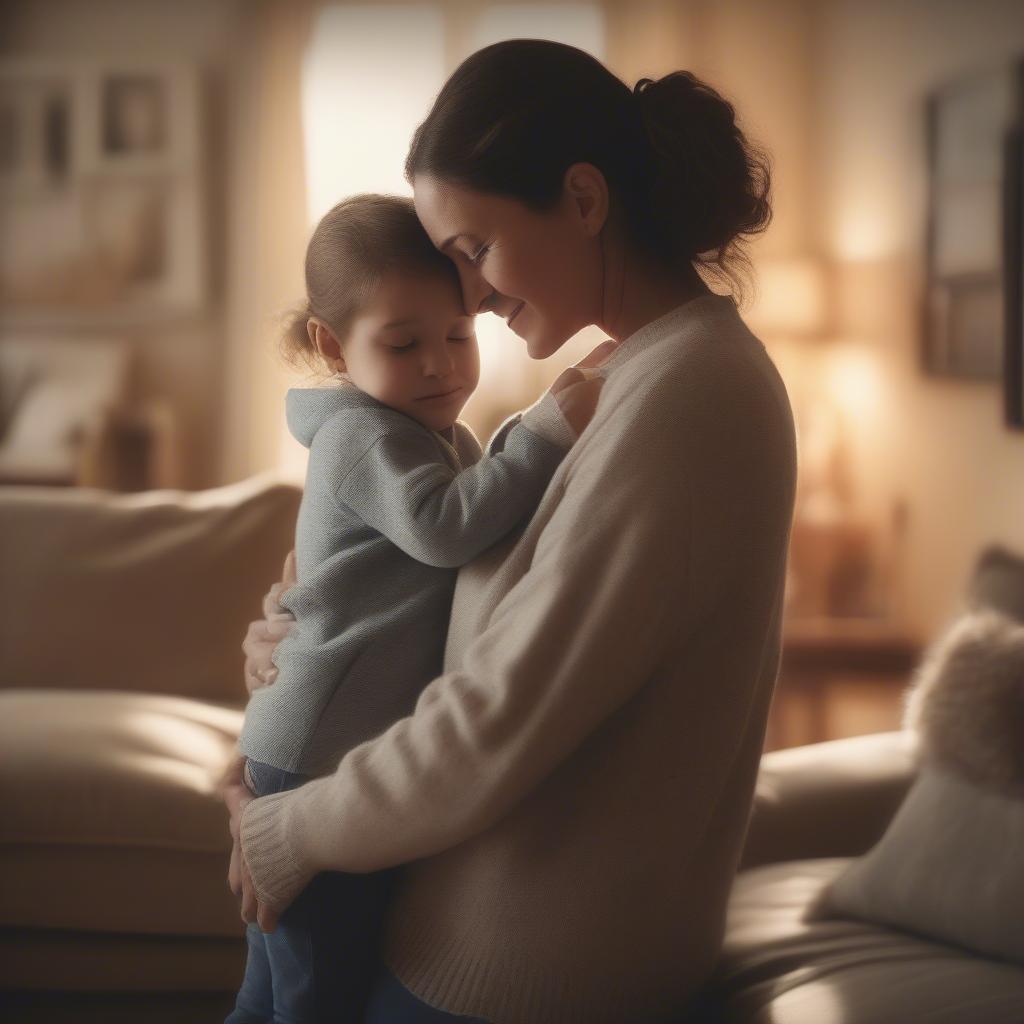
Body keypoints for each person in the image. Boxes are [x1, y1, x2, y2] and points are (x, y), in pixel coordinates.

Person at [223, 39, 797, 1024]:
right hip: (470, 934)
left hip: (521, 971)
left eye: (475, 250)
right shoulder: (627, 379)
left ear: (582, 199)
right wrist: (302, 625)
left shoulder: (689, 398)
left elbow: (498, 712)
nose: (472, 300)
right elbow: (469, 592)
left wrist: (293, 828)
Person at [225, 193, 599, 1024]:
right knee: (314, 991)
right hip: (316, 751)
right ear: (334, 346)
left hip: (323, 742)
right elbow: (444, 528)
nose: (441, 366)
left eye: (458, 336)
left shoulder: (434, 434)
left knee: (278, 991)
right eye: (403, 344)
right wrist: (544, 432)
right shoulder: (365, 436)